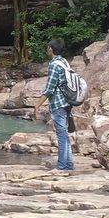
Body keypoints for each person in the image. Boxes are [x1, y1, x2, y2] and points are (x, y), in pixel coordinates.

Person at [33, 38, 74, 172]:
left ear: (51, 49)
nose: (47, 50)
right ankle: (68, 165)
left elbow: (50, 89)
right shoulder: (64, 62)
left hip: (58, 103)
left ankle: (62, 166)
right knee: (65, 134)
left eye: (48, 48)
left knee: (62, 135)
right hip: (68, 102)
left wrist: (37, 106)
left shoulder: (54, 65)